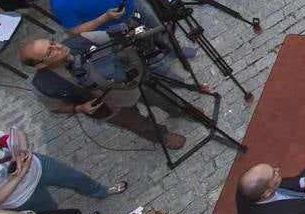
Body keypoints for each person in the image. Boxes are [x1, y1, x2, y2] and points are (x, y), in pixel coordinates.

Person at [19, 37, 185, 149]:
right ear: (40, 65)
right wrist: (79, 108)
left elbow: (115, 37)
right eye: (50, 51)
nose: (59, 46)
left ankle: (181, 110)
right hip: (108, 107)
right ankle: (162, 136)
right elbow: (55, 108)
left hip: (128, 84)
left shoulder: (80, 41)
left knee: (163, 96)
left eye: (53, 42)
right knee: (138, 124)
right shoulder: (43, 84)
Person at [0, 129, 123, 214]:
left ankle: (101, 191)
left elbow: (16, 133)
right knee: (55, 213)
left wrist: (21, 152)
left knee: (76, 178)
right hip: (24, 197)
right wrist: (20, 174)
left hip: (39, 166)